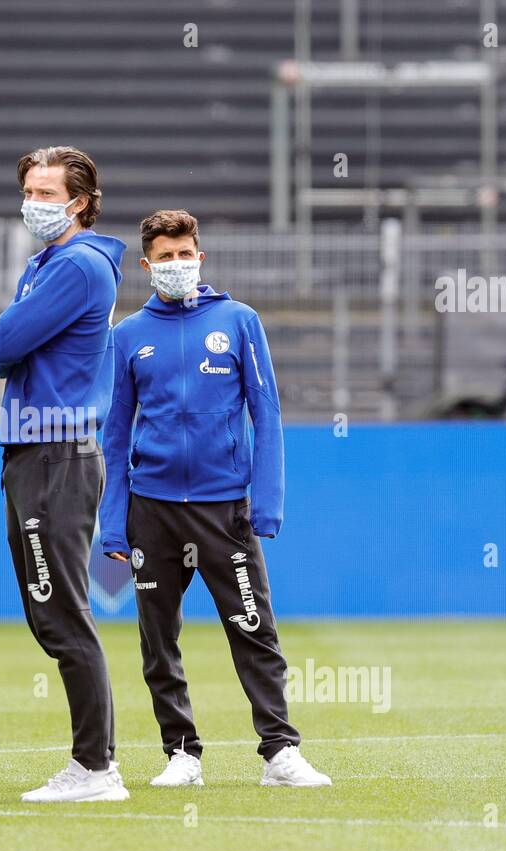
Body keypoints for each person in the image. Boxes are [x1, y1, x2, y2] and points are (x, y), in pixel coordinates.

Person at [98, 209, 331, 788]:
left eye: (186, 254)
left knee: (253, 628)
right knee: (158, 638)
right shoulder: (126, 336)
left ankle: (280, 751)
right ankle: (181, 754)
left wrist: (266, 503)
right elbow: (114, 432)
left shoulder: (240, 320)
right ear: (147, 266)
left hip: (224, 509)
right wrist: (112, 524)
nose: (177, 265)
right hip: (151, 510)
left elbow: (266, 413)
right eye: (165, 257)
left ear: (200, 257)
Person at [0, 145, 129, 802]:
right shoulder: (50, 263)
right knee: (51, 613)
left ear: (82, 201)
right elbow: (7, 342)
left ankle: (96, 767)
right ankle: (93, 762)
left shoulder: (76, 266)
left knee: (62, 612)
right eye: (31, 191)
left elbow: (1, 344)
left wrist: (2, 336)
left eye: (49, 193)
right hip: (34, 452)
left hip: (56, 453)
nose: (36, 204)